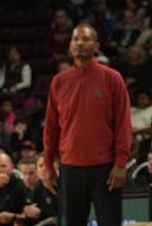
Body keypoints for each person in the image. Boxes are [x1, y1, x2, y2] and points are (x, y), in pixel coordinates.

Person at [39, 24, 130, 226]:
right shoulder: (59, 82)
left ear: (96, 45)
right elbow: (51, 128)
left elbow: (123, 124)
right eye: (75, 39)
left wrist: (120, 164)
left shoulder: (112, 78)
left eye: (86, 39)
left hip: (105, 169)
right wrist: (47, 164)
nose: (80, 43)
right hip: (70, 168)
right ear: (70, 46)